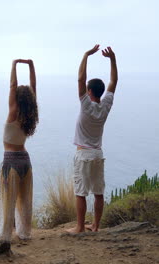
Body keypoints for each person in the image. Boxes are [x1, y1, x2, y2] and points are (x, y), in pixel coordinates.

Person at [67, 44, 118, 233]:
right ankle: (96, 226)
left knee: (80, 192)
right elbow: (114, 81)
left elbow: (81, 78)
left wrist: (86, 55)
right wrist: (112, 59)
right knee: (98, 192)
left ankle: (80, 227)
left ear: (89, 92)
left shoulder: (86, 105)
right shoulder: (105, 106)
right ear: (101, 92)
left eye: (86, 89)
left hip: (83, 154)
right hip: (98, 154)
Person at [0, 59, 38, 242]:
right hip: (25, 161)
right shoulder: (29, 114)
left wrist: (13, 64)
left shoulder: (13, 111)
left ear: (17, 99)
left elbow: (12, 85)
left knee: (7, 201)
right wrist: (31, 65)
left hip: (11, 161)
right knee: (24, 201)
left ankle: (4, 235)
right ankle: (24, 232)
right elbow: (34, 87)